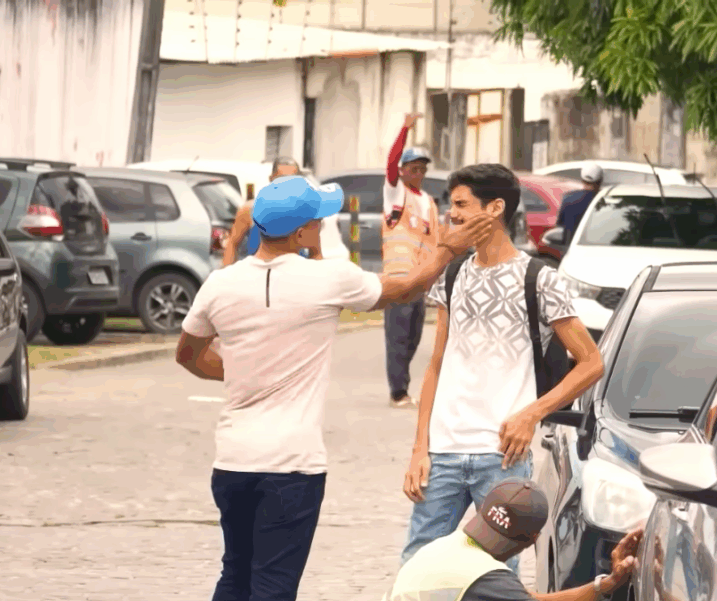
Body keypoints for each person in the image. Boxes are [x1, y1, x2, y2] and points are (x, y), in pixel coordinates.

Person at [175, 174, 495, 601]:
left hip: (232, 462)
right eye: (318, 221)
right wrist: (447, 248)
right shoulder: (328, 278)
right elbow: (406, 288)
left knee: (234, 574)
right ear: (302, 232)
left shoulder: (221, 283)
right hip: (291, 467)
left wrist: (241, 372)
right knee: (273, 584)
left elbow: (188, 355)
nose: (323, 226)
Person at [401, 163, 604, 575]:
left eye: (460, 204)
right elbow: (436, 364)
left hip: (502, 458)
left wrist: (531, 414)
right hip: (442, 454)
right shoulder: (452, 274)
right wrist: (419, 447)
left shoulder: (540, 279)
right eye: (450, 205)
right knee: (418, 568)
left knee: (495, 575)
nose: (451, 214)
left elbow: (591, 363)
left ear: (494, 208)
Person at [385, 478, 643, 601]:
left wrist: (605, 585)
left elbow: (527, 597)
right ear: (532, 540)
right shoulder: (486, 576)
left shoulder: (450, 548)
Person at [382, 113, 441, 408]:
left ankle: (401, 384)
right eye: (412, 168)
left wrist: (435, 277)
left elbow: (435, 241)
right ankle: (398, 391)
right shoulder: (396, 193)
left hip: (420, 279)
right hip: (398, 275)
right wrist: (404, 128)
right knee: (398, 336)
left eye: (422, 169)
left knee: (414, 335)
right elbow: (390, 164)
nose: (418, 173)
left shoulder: (428, 201)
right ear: (403, 171)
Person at [223, 157, 302, 266]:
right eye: (281, 179)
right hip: (258, 277)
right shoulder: (250, 210)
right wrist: (226, 276)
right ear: (271, 179)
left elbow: (315, 251)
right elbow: (232, 244)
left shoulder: (305, 212)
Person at [556, 163, 603, 244]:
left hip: (571, 248)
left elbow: (560, 224)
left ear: (582, 180)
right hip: (599, 247)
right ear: (600, 181)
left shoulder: (568, 198)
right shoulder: (604, 200)